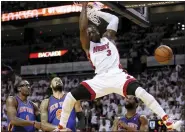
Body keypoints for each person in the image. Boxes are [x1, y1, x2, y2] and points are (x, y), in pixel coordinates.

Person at [57, 2, 182, 131]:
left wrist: (95, 13)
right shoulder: (88, 46)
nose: (91, 30)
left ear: (99, 31)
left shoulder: (108, 38)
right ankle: (61, 127)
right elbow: (82, 28)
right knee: (70, 97)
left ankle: (168, 121)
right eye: (88, 31)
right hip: (100, 79)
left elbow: (114, 19)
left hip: (118, 75)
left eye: (93, 28)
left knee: (142, 93)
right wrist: (84, 6)